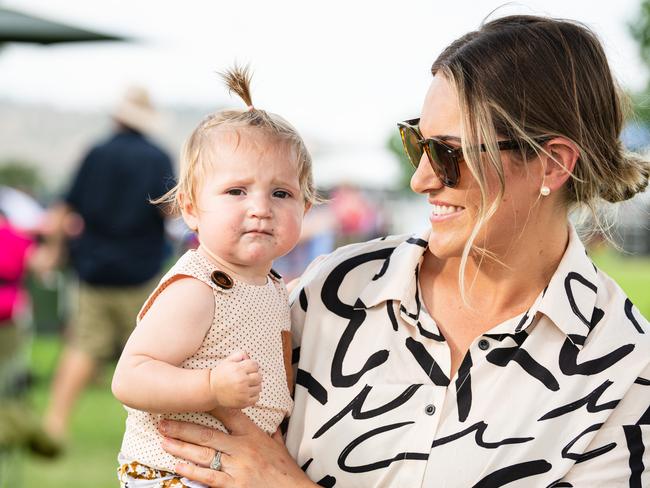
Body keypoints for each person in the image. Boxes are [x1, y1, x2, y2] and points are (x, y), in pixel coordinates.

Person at [157, 15, 650, 487]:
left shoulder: (625, 366)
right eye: (419, 144)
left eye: (448, 154)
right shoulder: (333, 291)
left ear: (551, 165)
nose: (420, 179)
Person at [111, 66, 315, 487]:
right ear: (190, 208)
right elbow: (130, 376)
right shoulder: (199, 288)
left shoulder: (273, 286)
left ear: (306, 209)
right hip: (172, 471)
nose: (260, 207)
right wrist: (210, 386)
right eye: (236, 191)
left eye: (281, 193)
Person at [42, 86, 175, 441]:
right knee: (152, 353)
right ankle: (160, 434)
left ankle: (55, 425)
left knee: (84, 345)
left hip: (94, 269)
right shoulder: (158, 158)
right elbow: (170, 210)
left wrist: (52, 250)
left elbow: (65, 206)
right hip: (142, 271)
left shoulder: (96, 153)